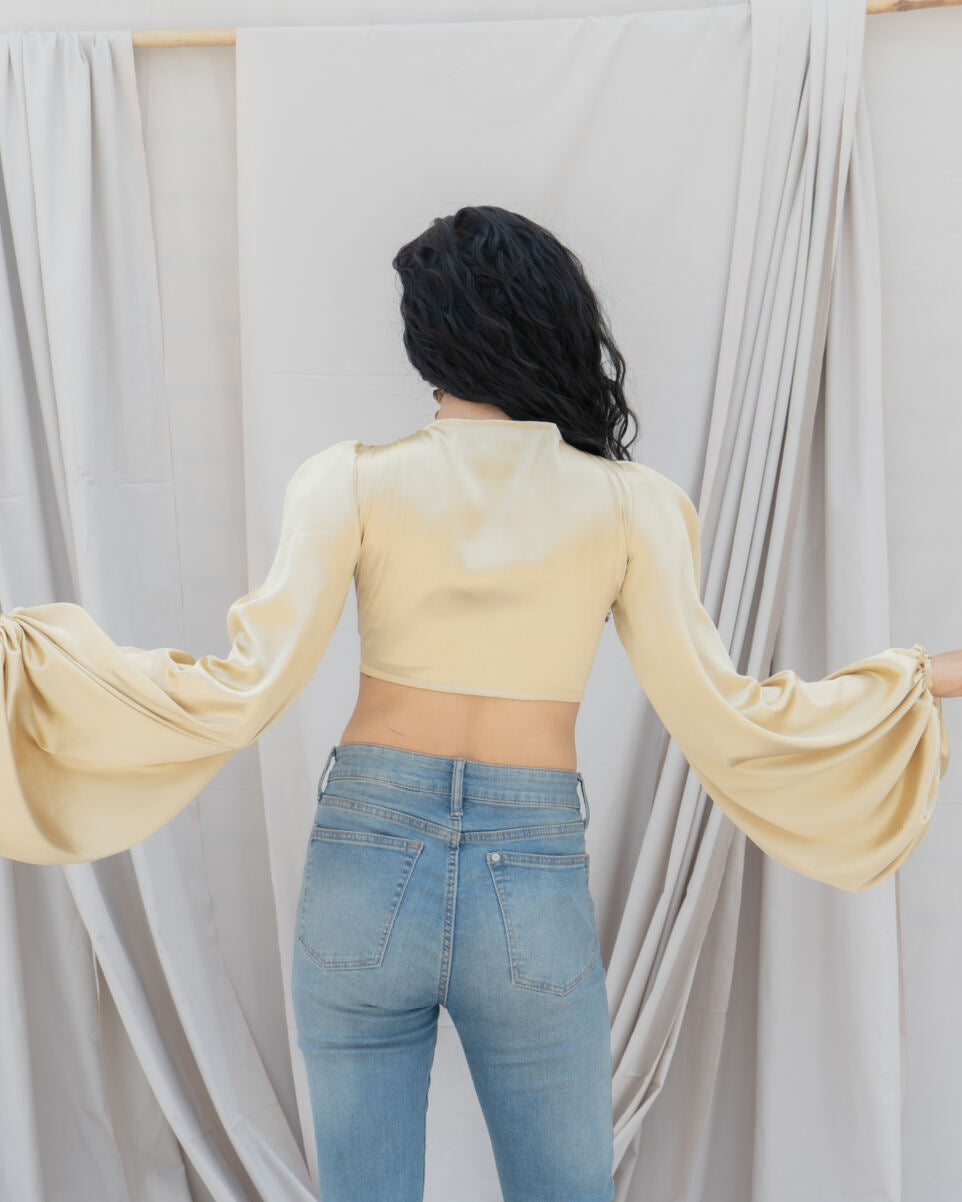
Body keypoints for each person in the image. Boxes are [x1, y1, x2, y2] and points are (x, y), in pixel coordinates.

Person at [0, 205, 952, 1202]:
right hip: (527, 873)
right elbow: (727, 716)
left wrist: (32, 662)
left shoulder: (349, 483)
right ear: (557, 320)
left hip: (364, 858)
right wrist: (919, 676)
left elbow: (240, 688)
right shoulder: (631, 506)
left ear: (428, 343)